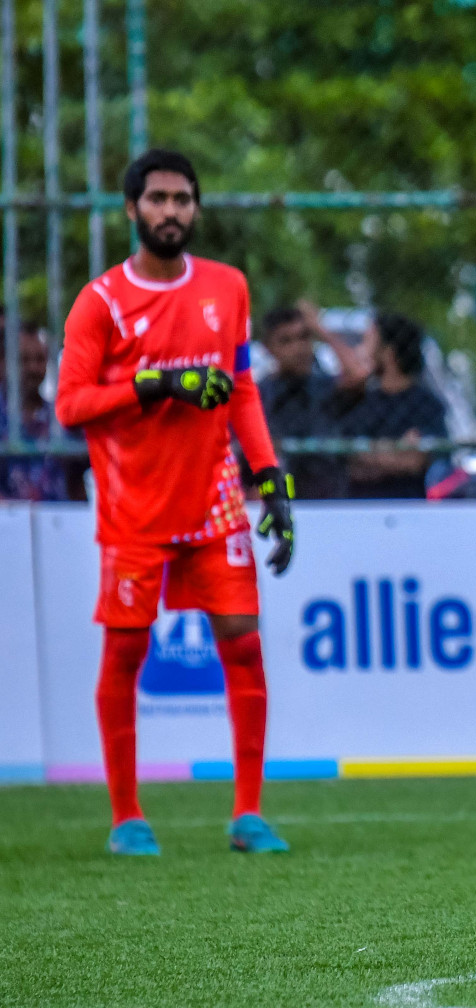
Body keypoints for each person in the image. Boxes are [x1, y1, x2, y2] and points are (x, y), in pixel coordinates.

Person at [54, 149, 295, 856]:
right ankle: (127, 817)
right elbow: (70, 405)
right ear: (131, 209)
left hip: (216, 501)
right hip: (133, 510)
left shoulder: (227, 286)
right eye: (156, 199)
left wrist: (271, 475)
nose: (170, 211)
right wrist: (156, 386)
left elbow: (242, 387)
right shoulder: (99, 303)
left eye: (182, 199)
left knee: (245, 647)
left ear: (196, 208)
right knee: (126, 651)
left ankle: (247, 814)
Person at [257, 300, 368, 499]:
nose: (298, 348)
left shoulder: (325, 387)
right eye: (286, 341)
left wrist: (320, 327)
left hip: (327, 495)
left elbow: (358, 374)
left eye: (304, 337)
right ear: (268, 347)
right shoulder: (261, 394)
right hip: (277, 495)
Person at [337, 311, 448, 499]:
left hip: (406, 506)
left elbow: (413, 461)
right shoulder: (360, 401)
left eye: (368, 342)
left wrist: (368, 451)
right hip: (357, 507)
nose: (362, 351)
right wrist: (395, 450)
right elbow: (347, 458)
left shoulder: (425, 403)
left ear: (388, 352)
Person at [0, 322, 73, 500]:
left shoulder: (61, 418)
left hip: (57, 523)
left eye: (40, 359)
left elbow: (76, 483)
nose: (33, 368)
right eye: (23, 360)